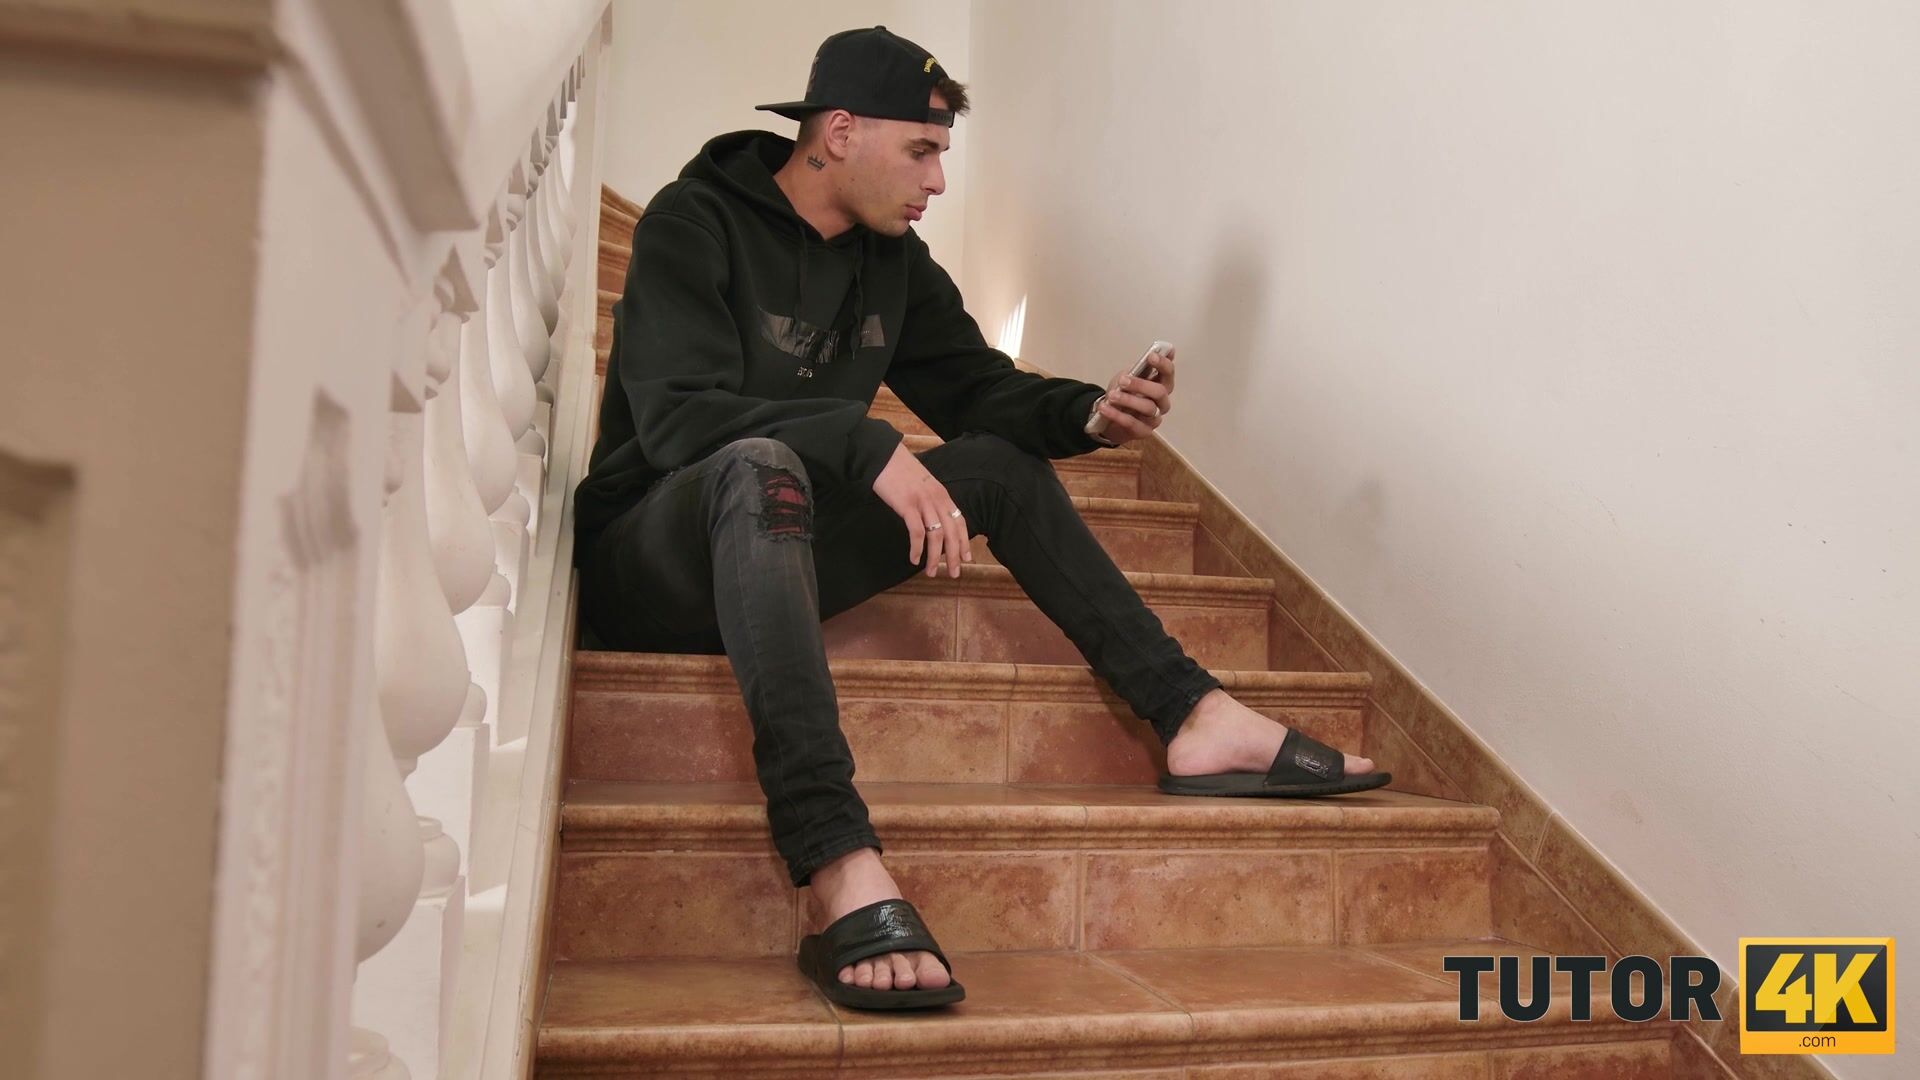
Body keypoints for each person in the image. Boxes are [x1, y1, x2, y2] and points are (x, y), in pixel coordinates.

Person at [572, 25, 1389, 1010]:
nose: (939, 180)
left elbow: (977, 392)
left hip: (779, 551)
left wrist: (1087, 414)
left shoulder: (893, 261)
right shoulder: (690, 222)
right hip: (651, 560)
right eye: (921, 150)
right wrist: (864, 444)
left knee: (996, 466)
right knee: (759, 465)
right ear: (839, 132)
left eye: (943, 153)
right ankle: (836, 858)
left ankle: (1193, 713)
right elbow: (677, 418)